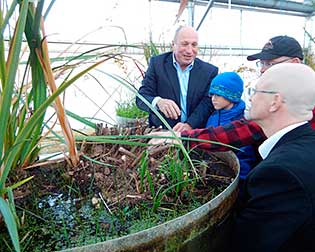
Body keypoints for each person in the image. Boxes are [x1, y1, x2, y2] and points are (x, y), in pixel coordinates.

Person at [148, 35, 315, 151]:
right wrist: (181, 137)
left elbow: (242, 131)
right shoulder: (281, 101)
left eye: (270, 63)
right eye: (262, 63)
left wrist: (181, 137)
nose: (263, 69)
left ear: (295, 63)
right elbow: (240, 131)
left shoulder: (304, 107)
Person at [232, 63, 315, 251]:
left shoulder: (280, 174)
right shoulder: (306, 147)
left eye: (256, 90)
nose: (251, 98)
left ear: (275, 102)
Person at [136, 26, 218, 131]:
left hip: (195, 135)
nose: (189, 50)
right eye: (184, 44)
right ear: (173, 45)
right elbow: (141, 98)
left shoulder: (209, 71)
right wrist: (158, 102)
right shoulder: (157, 64)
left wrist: (189, 125)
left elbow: (207, 103)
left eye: (194, 45)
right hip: (162, 134)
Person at [206, 72, 256, 184]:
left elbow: (245, 157)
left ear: (231, 95)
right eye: (212, 95)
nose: (213, 99)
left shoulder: (241, 123)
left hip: (235, 178)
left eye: (218, 95)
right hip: (215, 174)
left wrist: (240, 183)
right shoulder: (213, 116)